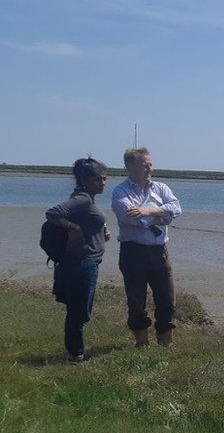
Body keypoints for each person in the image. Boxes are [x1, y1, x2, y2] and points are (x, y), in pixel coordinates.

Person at [111, 147, 182, 347]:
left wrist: (148, 210)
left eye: (150, 164)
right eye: (145, 165)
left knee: (167, 300)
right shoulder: (120, 192)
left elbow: (176, 209)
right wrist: (161, 217)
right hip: (133, 252)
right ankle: (142, 344)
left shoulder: (161, 188)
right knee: (136, 302)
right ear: (130, 167)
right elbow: (130, 218)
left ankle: (165, 345)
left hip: (159, 252)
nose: (150, 168)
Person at [46, 157, 110, 362]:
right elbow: (53, 213)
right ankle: (76, 354)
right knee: (79, 312)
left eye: (105, 179)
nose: (103, 183)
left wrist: (100, 232)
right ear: (86, 181)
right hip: (81, 263)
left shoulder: (87, 198)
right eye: (99, 179)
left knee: (79, 310)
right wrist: (74, 229)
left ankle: (75, 352)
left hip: (86, 261)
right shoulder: (83, 198)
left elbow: (85, 221)